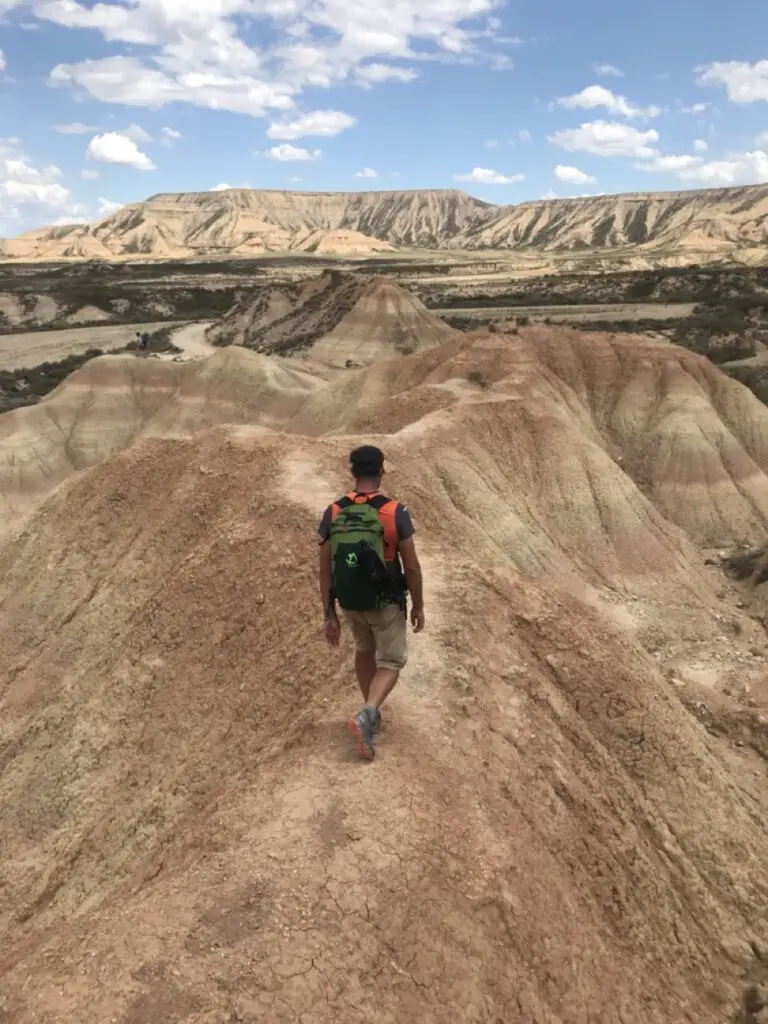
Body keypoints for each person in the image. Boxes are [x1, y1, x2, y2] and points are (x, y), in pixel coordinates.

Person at [318, 445, 425, 760]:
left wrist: (330, 614)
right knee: (391, 661)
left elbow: (325, 569)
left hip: (351, 601)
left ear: (352, 473)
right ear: (382, 471)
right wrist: (418, 605)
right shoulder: (394, 512)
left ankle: (370, 714)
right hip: (385, 601)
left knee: (364, 649)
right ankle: (367, 713)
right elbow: (413, 566)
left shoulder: (333, 512)